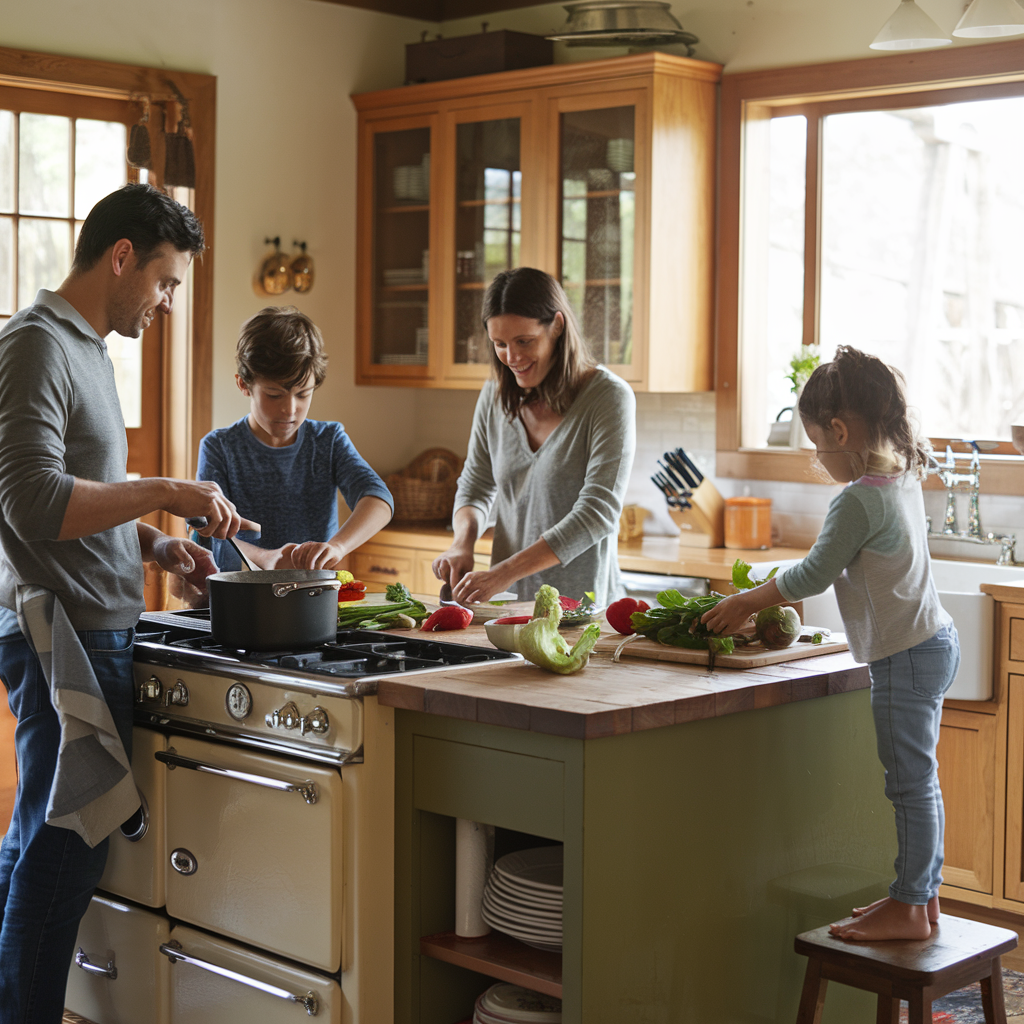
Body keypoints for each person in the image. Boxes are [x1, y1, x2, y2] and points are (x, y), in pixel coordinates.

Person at [0, 183, 256, 1024]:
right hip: (62, 637)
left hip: (91, 626)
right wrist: (166, 490)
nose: (169, 302)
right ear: (121, 258)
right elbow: (31, 502)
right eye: (166, 282)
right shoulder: (35, 345)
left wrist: (151, 542)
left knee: (39, 842)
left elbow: (82, 500)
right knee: (67, 851)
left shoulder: (85, 351)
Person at [701, 345, 960, 942]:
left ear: (840, 430)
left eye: (818, 444)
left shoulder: (856, 499)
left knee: (909, 783)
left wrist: (744, 600)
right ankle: (917, 900)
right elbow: (831, 564)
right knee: (920, 781)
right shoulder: (901, 474)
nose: (819, 457)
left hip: (906, 654)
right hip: (930, 642)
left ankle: (911, 905)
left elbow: (813, 575)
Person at [432, 267, 636, 608]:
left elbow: (597, 514)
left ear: (556, 326)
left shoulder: (608, 397)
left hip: (580, 611)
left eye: (524, 341)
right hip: (508, 609)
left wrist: (502, 573)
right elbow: (476, 485)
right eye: (500, 344)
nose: (512, 357)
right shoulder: (494, 395)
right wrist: (462, 544)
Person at [195, 306, 393, 572]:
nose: (290, 409)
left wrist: (338, 547)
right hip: (244, 595)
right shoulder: (219, 447)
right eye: (274, 395)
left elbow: (378, 497)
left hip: (315, 594)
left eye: (303, 394)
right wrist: (267, 559)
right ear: (243, 384)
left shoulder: (329, 440)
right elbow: (206, 534)